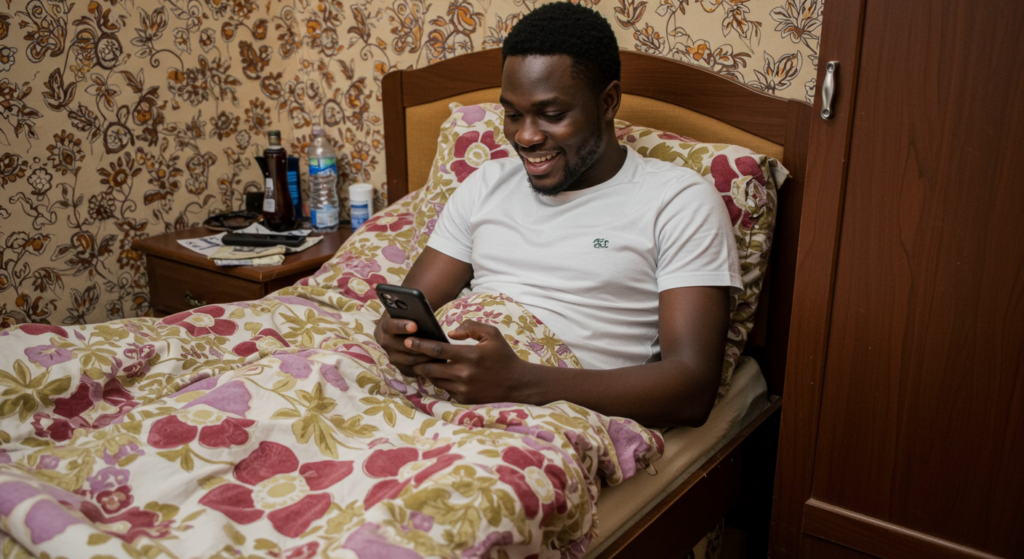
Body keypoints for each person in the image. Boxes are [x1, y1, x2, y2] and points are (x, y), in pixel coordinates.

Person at [374, 2, 741, 427]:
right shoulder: (485, 184)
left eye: (552, 115)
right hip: (441, 395)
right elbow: (404, 310)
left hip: (552, 415)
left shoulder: (677, 202)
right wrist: (397, 338)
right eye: (512, 115)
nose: (525, 137)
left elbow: (692, 390)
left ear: (608, 101)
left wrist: (520, 383)